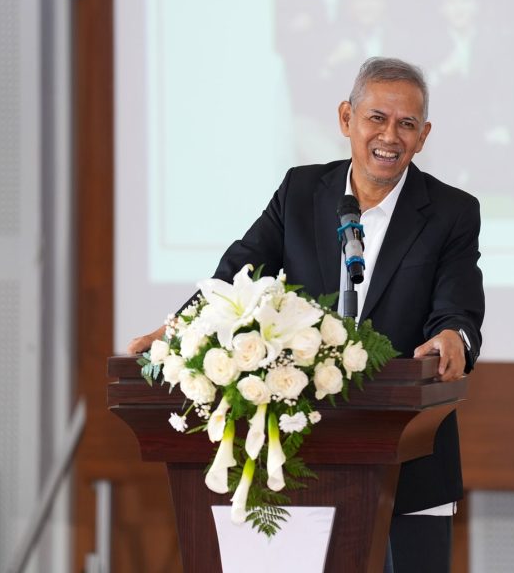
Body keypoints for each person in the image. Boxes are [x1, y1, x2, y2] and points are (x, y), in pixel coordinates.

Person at [130, 57, 485, 572]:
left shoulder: (452, 211)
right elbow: (236, 275)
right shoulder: (300, 192)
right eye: (376, 118)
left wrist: (455, 335)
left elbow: (458, 304)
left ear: (424, 135)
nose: (390, 135)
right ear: (346, 119)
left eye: (407, 124)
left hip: (412, 461)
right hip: (305, 453)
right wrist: (181, 328)